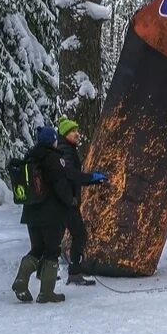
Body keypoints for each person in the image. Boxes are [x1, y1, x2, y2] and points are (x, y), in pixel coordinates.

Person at [10, 126, 74, 303]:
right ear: (52, 140)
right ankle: (47, 292)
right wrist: (71, 200)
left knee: (37, 249)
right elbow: (60, 184)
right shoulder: (54, 158)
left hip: (31, 213)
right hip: (51, 214)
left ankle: (21, 280)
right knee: (52, 251)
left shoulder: (30, 157)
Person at [55, 117, 108, 286]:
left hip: (66, 202)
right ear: (65, 134)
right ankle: (74, 273)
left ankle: (47, 272)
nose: (77, 134)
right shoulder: (66, 151)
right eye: (73, 131)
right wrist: (91, 177)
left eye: (77, 130)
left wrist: (91, 180)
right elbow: (71, 175)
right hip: (67, 203)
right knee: (79, 235)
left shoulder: (66, 149)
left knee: (56, 238)